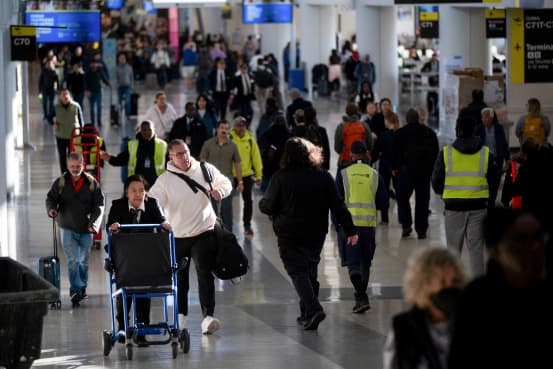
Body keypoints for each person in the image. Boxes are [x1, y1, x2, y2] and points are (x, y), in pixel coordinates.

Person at [259, 137, 358, 330]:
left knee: (297, 271)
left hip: (290, 233)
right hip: (316, 232)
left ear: (286, 156)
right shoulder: (323, 176)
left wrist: (262, 204)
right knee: (310, 269)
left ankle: (313, 309)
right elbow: (338, 205)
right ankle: (306, 313)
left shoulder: (281, 177)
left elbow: (268, 206)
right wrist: (350, 229)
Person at [149, 139, 232, 335]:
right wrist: (160, 221)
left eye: (185, 152)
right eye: (178, 154)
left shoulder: (204, 169)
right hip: (178, 236)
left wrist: (220, 191)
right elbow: (153, 203)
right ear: (171, 157)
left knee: (205, 273)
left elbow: (226, 182)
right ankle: (180, 317)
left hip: (204, 232)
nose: (184, 157)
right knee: (180, 278)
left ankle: (208, 317)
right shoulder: (164, 181)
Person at [448, 208, 550, 369]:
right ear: (496, 250)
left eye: (539, 238)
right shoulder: (477, 299)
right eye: (521, 240)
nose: (534, 247)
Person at [106, 174, 171, 344]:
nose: (137, 194)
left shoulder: (152, 204)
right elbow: (110, 226)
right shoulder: (118, 205)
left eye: (141, 190)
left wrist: (165, 226)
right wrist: (115, 229)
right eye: (133, 190)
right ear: (126, 192)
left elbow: (162, 220)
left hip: (145, 256)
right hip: (125, 257)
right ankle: (122, 324)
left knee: (144, 291)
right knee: (124, 291)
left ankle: (142, 329)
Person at [432, 116, 500, 276]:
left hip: (453, 208)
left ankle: (452, 286)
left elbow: (436, 181)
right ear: (473, 130)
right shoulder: (485, 153)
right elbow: (495, 179)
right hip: (478, 208)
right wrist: (489, 202)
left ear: (457, 131)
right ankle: (479, 289)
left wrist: (445, 194)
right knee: (476, 250)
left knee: (453, 251)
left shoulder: (446, 153)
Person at [383, 247, 467, 369]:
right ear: (424, 285)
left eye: (455, 281)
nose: (450, 288)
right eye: (442, 282)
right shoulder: (403, 329)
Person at [46, 152, 105, 307]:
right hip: (67, 227)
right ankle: (75, 291)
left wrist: (94, 223)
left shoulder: (92, 183)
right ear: (67, 165)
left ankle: (82, 287)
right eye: (72, 166)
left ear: (83, 165)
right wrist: (51, 209)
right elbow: (50, 198)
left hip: (86, 228)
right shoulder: (60, 182)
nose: (75, 169)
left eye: (78, 166)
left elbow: (99, 204)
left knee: (83, 262)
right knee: (73, 261)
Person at [335, 141, 388, 313]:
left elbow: (336, 202)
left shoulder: (342, 175)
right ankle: (361, 296)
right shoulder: (375, 175)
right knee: (365, 263)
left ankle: (361, 296)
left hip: (349, 228)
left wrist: (337, 225)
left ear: (350, 155)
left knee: (353, 264)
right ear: (366, 154)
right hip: (367, 227)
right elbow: (383, 202)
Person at [393, 109, 439, 239]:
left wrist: (394, 168)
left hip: (405, 172)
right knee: (422, 201)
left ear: (406, 119)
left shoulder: (400, 133)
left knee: (402, 197)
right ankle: (422, 229)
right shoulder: (429, 133)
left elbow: (395, 153)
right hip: (424, 173)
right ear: (418, 118)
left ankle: (406, 225)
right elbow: (435, 153)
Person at [199, 120, 243, 231]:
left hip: (227, 183)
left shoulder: (233, 146)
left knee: (227, 208)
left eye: (226, 128)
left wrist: (240, 181)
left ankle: (228, 234)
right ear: (217, 129)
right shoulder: (208, 144)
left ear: (229, 131)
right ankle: (214, 233)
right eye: (222, 128)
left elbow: (237, 163)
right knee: (212, 209)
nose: (224, 130)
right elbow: (202, 162)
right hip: (211, 183)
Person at [100, 120, 167, 187]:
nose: (147, 132)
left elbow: (169, 163)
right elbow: (121, 159)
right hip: (137, 185)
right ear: (140, 131)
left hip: (157, 185)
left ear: (154, 130)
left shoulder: (162, 145)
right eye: (144, 130)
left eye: (149, 129)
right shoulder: (133, 145)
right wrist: (109, 158)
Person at [230, 116, 263, 236]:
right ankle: (227, 225)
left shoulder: (250, 140)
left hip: (246, 175)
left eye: (243, 125)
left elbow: (256, 158)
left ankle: (247, 225)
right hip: (231, 175)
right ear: (234, 127)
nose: (241, 128)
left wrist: (259, 175)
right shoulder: (230, 139)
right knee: (227, 201)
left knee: (248, 201)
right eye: (238, 125)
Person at [371, 111, 400, 224]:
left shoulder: (383, 135)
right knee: (400, 192)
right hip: (397, 167)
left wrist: (369, 161)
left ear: (387, 121)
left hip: (384, 167)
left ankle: (384, 218)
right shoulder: (400, 134)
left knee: (384, 192)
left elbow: (376, 152)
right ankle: (403, 218)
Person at [53, 88, 84, 174]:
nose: (66, 96)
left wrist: (81, 134)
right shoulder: (56, 107)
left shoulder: (76, 106)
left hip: (74, 136)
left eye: (67, 94)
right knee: (62, 156)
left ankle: (73, 173)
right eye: (63, 94)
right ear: (59, 97)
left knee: (73, 157)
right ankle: (64, 174)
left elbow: (81, 121)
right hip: (61, 135)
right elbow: (49, 116)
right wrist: (53, 123)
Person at [334, 103, 373, 168]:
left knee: (342, 177)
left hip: (346, 161)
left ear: (346, 112)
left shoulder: (341, 127)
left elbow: (337, 148)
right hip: (363, 161)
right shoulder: (364, 125)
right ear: (357, 112)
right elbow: (370, 146)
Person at [84, 59, 111, 127]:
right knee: (91, 108)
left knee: (99, 107)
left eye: (95, 64)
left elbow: (104, 78)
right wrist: (87, 90)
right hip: (90, 92)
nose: (94, 65)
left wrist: (108, 84)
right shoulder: (88, 72)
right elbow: (84, 82)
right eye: (92, 64)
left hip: (98, 92)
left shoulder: (99, 71)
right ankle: (92, 122)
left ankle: (99, 121)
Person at [115, 52, 134, 120]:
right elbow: (115, 77)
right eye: (121, 58)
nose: (122, 60)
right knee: (119, 102)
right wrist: (116, 83)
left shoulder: (129, 67)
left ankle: (127, 114)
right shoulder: (116, 68)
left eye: (123, 58)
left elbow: (132, 78)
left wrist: (132, 86)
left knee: (127, 101)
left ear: (125, 59)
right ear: (118, 59)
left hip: (127, 86)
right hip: (120, 87)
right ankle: (119, 114)